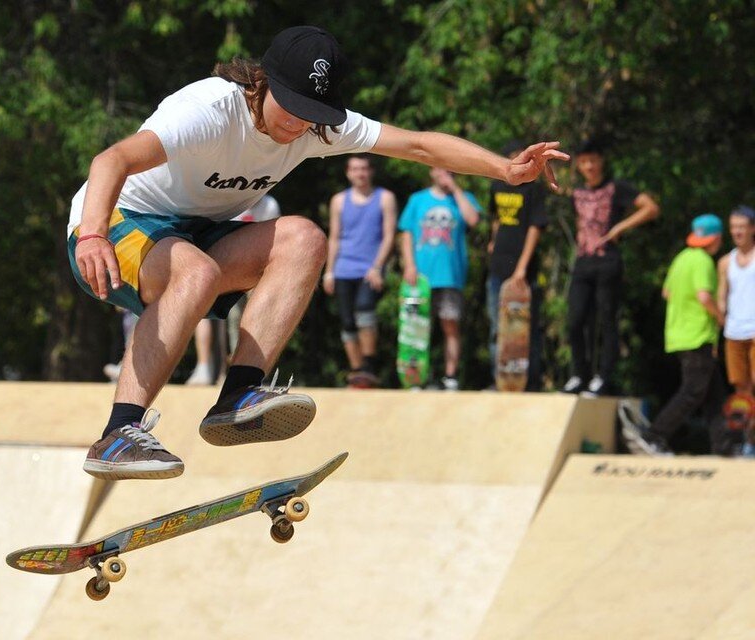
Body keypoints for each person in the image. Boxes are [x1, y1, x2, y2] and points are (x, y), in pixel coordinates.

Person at [70, 25, 568, 480]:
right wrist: (92, 233)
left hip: (199, 233)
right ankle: (118, 434)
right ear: (262, 84)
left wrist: (505, 170)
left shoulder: (317, 127)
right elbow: (111, 159)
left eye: (312, 114)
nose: (298, 125)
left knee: (304, 239)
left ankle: (237, 394)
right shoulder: (209, 111)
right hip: (118, 219)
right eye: (290, 108)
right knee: (195, 273)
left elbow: (418, 147)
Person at [562, 139, 660, 397]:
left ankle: (603, 377)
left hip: (608, 261)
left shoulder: (617, 188)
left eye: (593, 160)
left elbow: (650, 207)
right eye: (584, 162)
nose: (589, 166)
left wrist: (620, 227)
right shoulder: (577, 192)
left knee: (606, 321)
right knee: (575, 320)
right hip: (584, 261)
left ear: (601, 161)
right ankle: (578, 374)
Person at [622, 214, 724, 456]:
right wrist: (721, 318)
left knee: (714, 396)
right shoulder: (703, 261)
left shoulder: (682, 258)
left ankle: (725, 447)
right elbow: (704, 296)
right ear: (717, 238)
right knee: (693, 392)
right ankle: (654, 436)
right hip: (697, 335)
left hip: (678, 334)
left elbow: (667, 292)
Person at [398, 168, 482, 391]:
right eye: (440, 169)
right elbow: (406, 234)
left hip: (450, 275)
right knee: (416, 329)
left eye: (449, 170)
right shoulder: (417, 199)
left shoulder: (464, 198)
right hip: (420, 276)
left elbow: (473, 220)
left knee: (450, 325)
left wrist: (455, 189)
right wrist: (409, 265)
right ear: (431, 171)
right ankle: (415, 377)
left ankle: (450, 376)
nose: (445, 173)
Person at [187, 195, 282, 385]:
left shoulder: (269, 205)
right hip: (223, 268)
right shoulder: (229, 201)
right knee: (213, 318)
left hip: (257, 272)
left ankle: (246, 372)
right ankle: (208, 369)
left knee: (251, 319)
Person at [323, 155, 397, 387]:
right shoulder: (338, 201)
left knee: (365, 310)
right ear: (348, 172)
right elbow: (334, 237)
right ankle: (357, 372)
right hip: (344, 267)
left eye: (364, 168)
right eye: (355, 169)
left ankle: (368, 364)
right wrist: (329, 271)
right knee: (347, 321)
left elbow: (389, 236)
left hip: (370, 268)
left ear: (371, 171)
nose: (360, 173)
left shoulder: (385, 198)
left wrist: (377, 267)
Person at [486, 140, 548, 391]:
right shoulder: (496, 183)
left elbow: (535, 228)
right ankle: (499, 381)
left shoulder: (533, 189)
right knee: (496, 326)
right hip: (498, 264)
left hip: (524, 270)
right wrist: (492, 241)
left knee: (524, 329)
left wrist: (522, 267)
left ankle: (530, 383)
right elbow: (496, 218)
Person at [717, 205, 755, 399]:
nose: (737, 231)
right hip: (734, 332)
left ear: (752, 228)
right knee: (740, 387)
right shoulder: (725, 262)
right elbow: (721, 298)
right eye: (733, 227)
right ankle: (747, 429)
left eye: (741, 226)